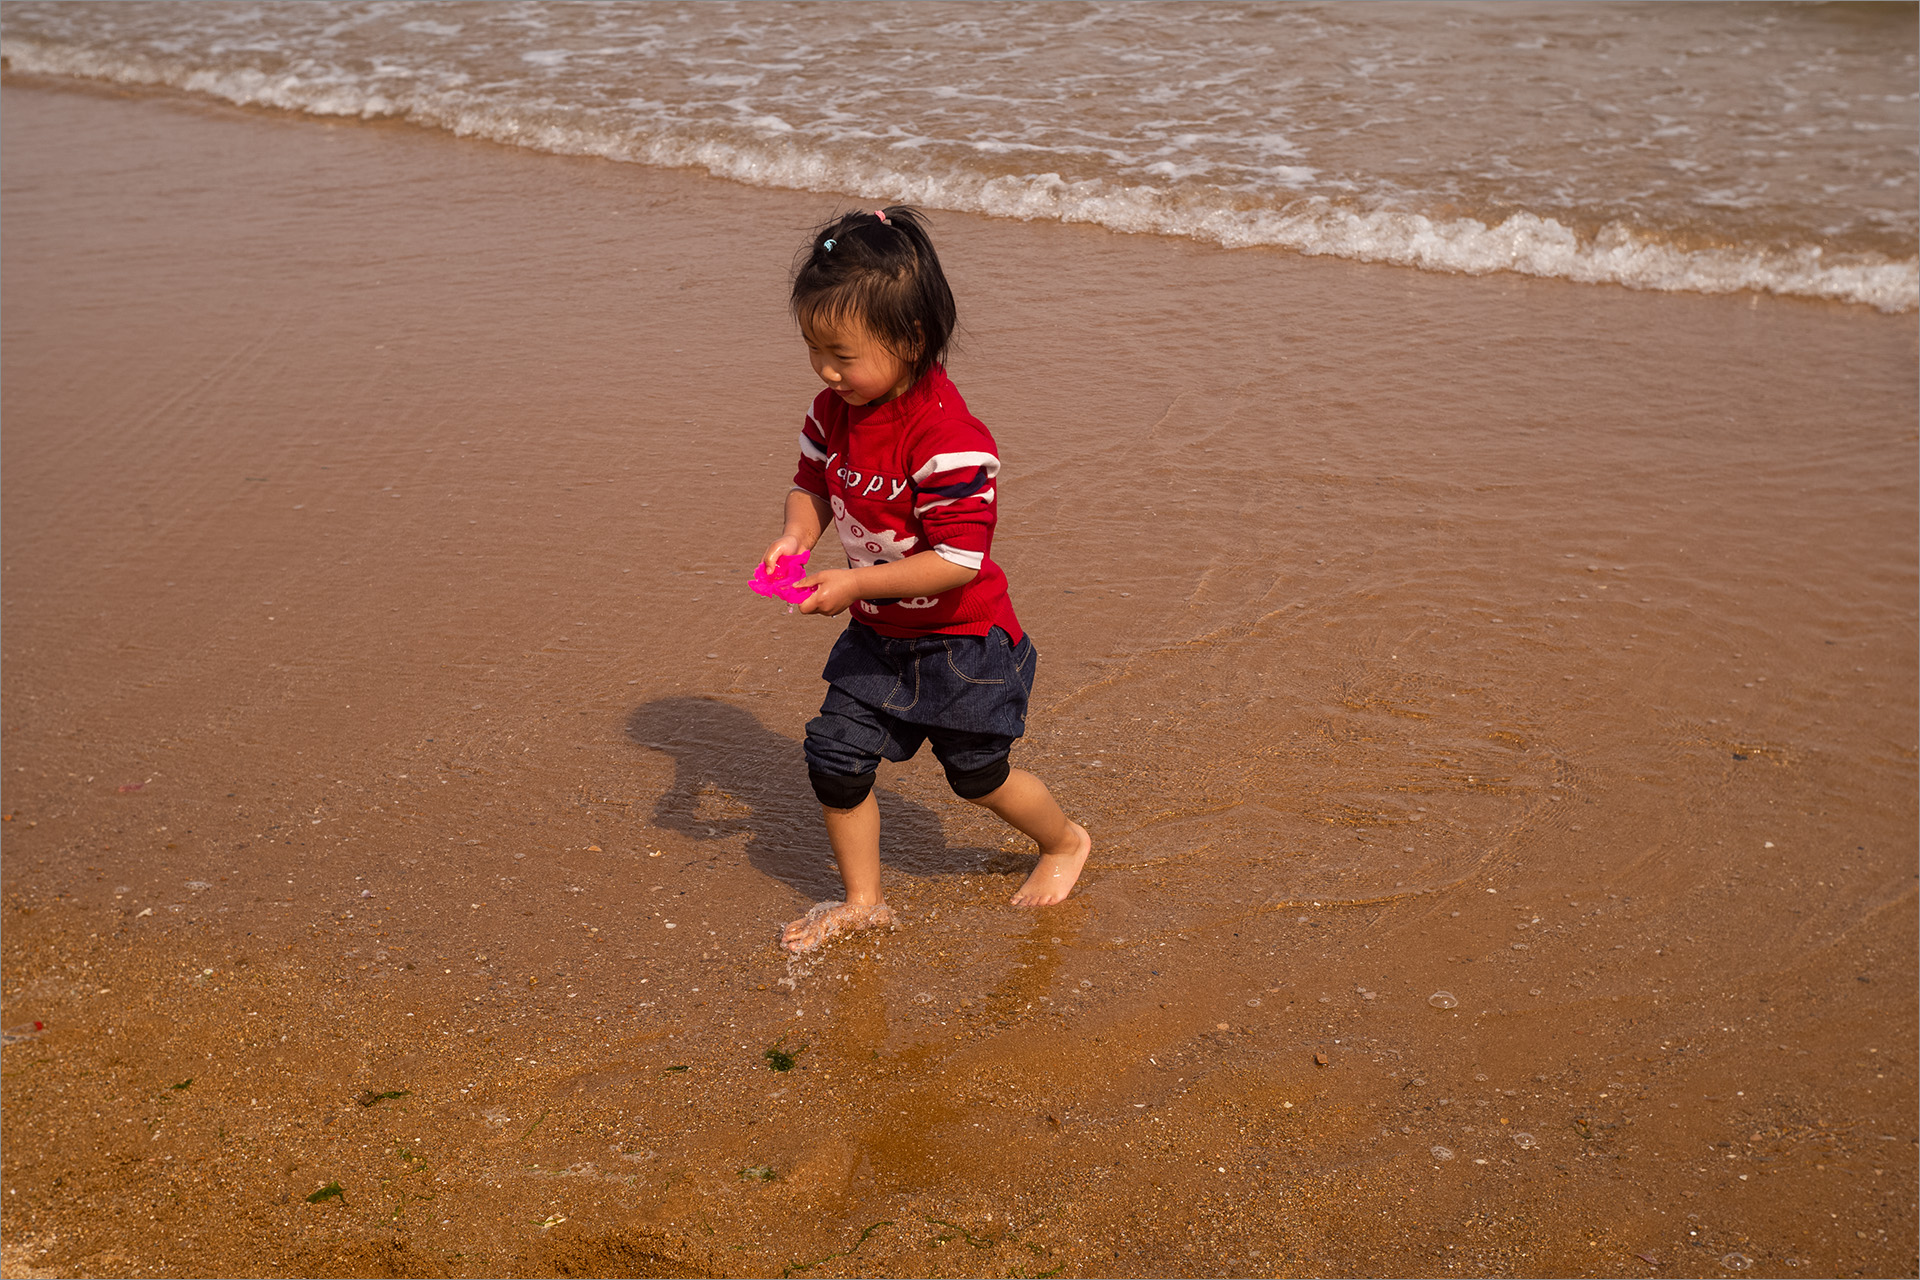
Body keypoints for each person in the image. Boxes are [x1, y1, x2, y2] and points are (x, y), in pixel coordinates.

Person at [762, 206, 1090, 954]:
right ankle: (863, 900)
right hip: (881, 638)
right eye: (814, 349)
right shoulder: (832, 411)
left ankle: (1066, 840)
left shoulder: (949, 442)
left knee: (978, 776)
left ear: (909, 342)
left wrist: (849, 587)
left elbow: (957, 562)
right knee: (835, 756)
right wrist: (795, 535)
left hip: (964, 643)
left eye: (842, 355)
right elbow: (811, 483)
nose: (825, 371)